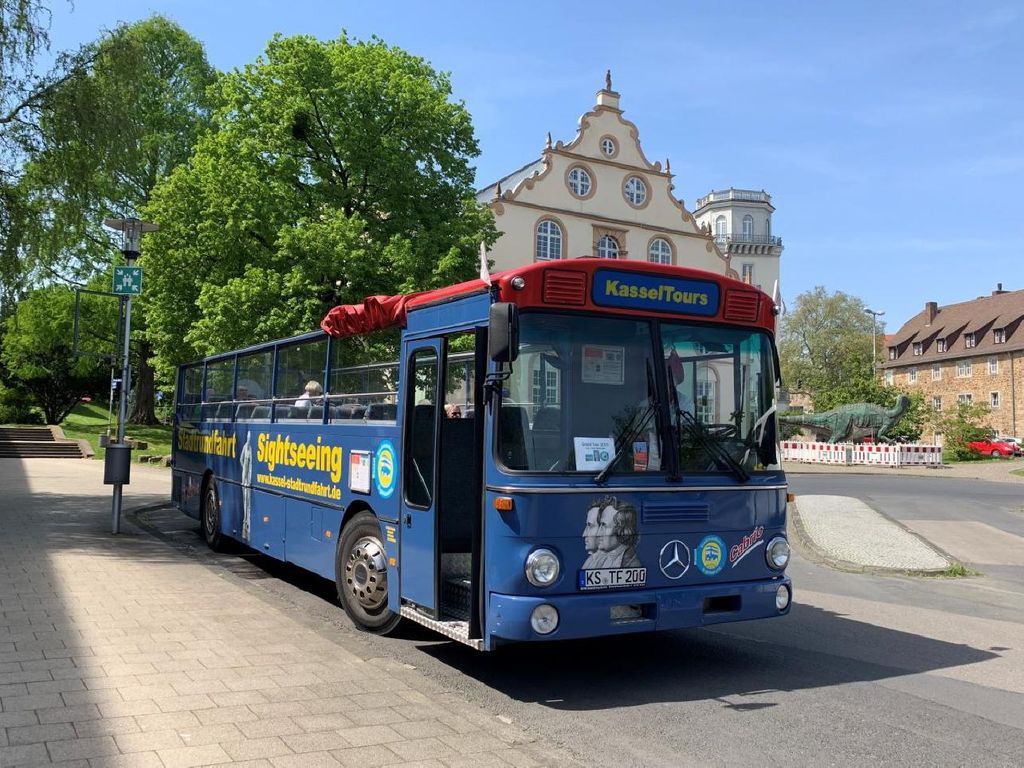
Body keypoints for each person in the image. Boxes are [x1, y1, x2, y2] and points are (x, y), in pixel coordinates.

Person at [581, 496, 641, 569]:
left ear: (622, 530)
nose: (598, 533)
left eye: (604, 525)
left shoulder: (632, 564)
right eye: (600, 525)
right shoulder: (598, 558)